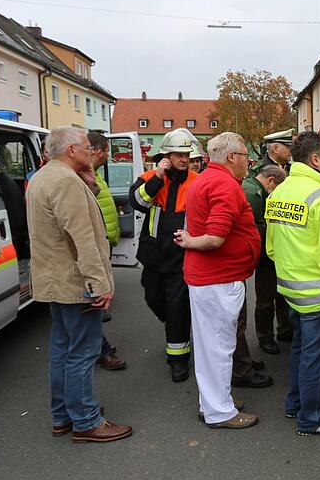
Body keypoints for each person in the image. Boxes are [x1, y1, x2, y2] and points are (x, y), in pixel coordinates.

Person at [26, 126, 131, 443]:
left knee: (61, 349)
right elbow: (81, 237)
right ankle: (86, 420)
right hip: (75, 282)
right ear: (70, 150)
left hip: (54, 280)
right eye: (87, 147)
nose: (92, 151)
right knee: (83, 353)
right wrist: (98, 284)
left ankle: (63, 416)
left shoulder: (44, 177)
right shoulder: (65, 182)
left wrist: (88, 179)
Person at [265, 130, 320, 435]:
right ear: (315, 159)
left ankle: (295, 404)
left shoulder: (279, 192)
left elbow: (272, 247)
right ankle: (311, 418)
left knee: (301, 350)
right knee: (318, 358)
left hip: (291, 290)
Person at [176, 132, 261, 429]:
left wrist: (189, 238)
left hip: (209, 278)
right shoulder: (225, 184)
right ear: (231, 157)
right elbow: (214, 238)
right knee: (220, 346)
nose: (249, 161)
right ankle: (220, 412)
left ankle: (214, 401)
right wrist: (190, 242)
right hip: (219, 279)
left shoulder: (204, 180)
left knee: (210, 345)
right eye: (245, 156)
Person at [129, 130, 199, 382]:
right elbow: (137, 203)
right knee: (153, 297)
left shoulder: (197, 181)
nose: (183, 159)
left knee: (177, 306)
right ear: (166, 156)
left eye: (186, 154)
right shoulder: (149, 178)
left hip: (181, 256)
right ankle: (174, 324)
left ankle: (178, 359)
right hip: (153, 255)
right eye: (178, 154)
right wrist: (158, 177)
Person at [229, 165, 288, 389]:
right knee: (264, 299)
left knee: (273, 296)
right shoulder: (253, 193)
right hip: (263, 255)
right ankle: (264, 338)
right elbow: (252, 228)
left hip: (266, 254)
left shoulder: (254, 189)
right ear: (271, 181)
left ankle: (274, 335)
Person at [86, 132, 127, 369]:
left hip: (101, 242)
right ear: (98, 151)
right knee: (89, 305)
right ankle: (100, 351)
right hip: (92, 245)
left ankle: (98, 347)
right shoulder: (82, 176)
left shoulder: (94, 175)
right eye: (107, 151)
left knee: (91, 305)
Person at [252, 134, 296, 352]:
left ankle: (286, 329)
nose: (291, 150)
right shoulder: (259, 170)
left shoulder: (293, 167)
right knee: (266, 296)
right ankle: (265, 336)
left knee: (286, 292)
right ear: (275, 147)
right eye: (287, 147)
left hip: (288, 242)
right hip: (267, 243)